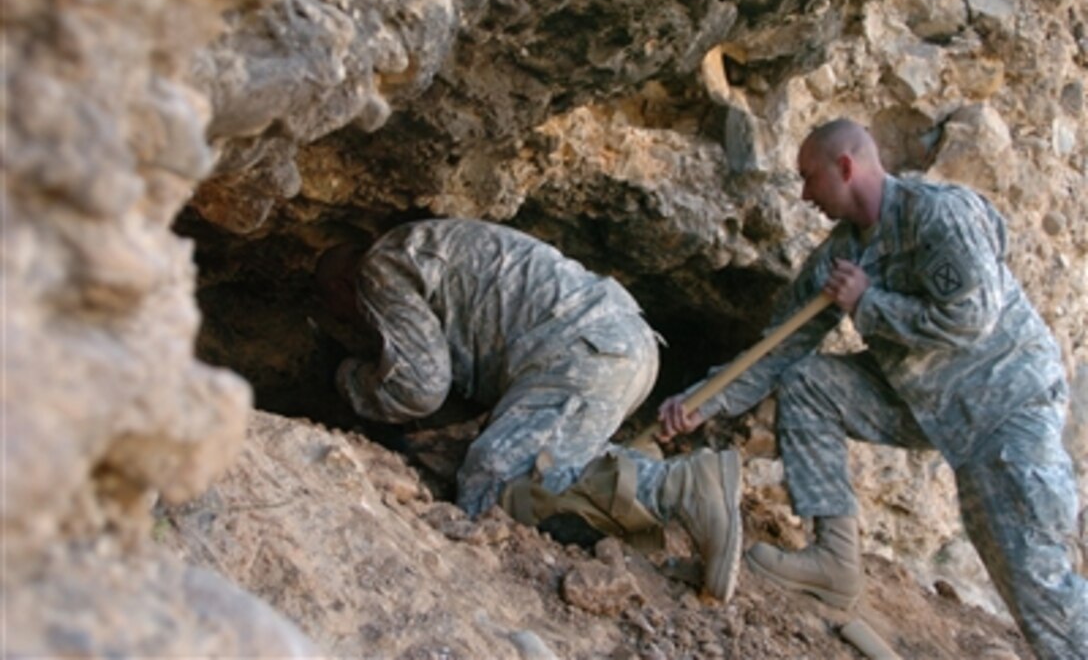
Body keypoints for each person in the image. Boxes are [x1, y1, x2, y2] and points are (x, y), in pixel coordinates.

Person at [656, 118, 1087, 659]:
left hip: (1007, 408)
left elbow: (972, 317)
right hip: (929, 406)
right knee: (808, 381)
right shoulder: (839, 260)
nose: (805, 194)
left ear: (845, 166)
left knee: (1031, 576)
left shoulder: (938, 215)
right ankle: (835, 559)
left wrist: (867, 304)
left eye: (810, 178)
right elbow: (777, 350)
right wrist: (699, 402)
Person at [316, 218, 743, 600]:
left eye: (334, 310)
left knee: (493, 483)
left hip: (579, 351)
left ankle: (675, 486)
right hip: (617, 342)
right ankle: (651, 484)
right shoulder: (425, 249)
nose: (349, 321)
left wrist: (347, 377)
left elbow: (420, 389)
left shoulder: (380, 268)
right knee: (549, 461)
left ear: (339, 288)